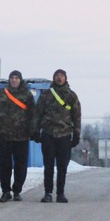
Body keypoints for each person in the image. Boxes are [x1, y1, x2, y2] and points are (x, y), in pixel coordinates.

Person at [32, 68, 82, 203]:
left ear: (65, 78)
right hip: (48, 134)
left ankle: (61, 193)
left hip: (64, 135)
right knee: (48, 166)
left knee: (62, 166)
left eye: (61, 76)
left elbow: (76, 116)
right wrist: (35, 131)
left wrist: (77, 134)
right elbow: (38, 114)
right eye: (57, 76)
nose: (59, 78)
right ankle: (47, 193)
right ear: (53, 78)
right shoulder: (46, 95)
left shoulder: (71, 96)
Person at [0, 70, 35, 202]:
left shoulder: (26, 94)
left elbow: (33, 114)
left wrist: (33, 131)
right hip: (4, 135)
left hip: (22, 136)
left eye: (16, 78)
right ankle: (6, 191)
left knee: (21, 165)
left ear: (20, 80)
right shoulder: (2, 94)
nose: (14, 80)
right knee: (4, 165)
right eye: (12, 78)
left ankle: (17, 190)